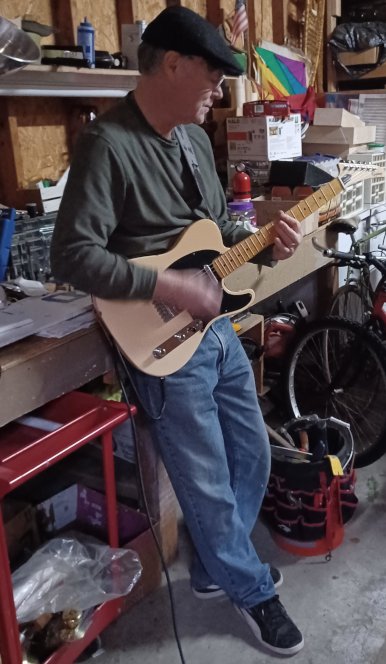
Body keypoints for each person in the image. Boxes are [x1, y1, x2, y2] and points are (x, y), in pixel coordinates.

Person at [50, 6, 304, 657]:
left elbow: (218, 233)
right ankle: (251, 591)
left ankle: (217, 563)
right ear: (171, 65)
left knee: (255, 454)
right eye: (212, 79)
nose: (218, 93)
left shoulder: (193, 142)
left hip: (216, 327)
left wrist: (269, 244)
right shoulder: (108, 145)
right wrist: (167, 285)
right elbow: (72, 254)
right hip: (160, 344)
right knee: (207, 479)